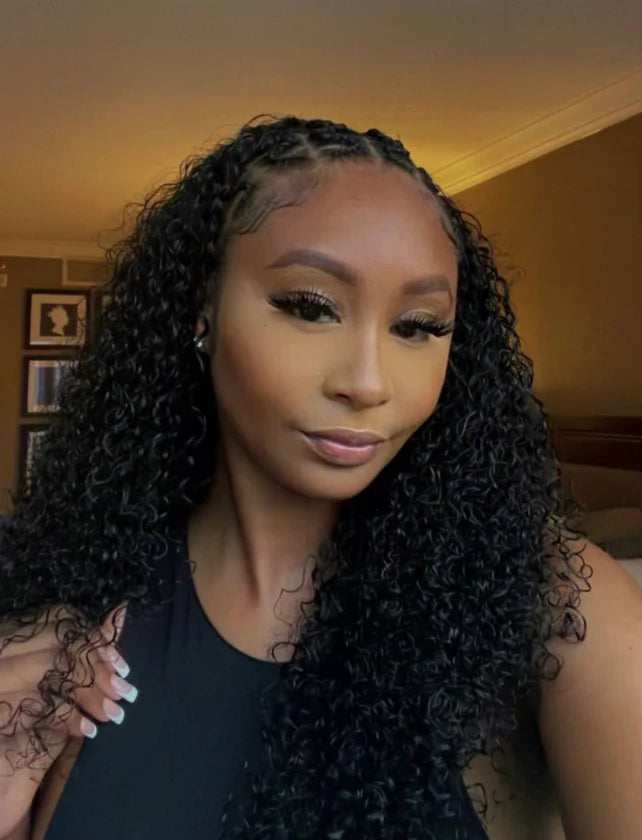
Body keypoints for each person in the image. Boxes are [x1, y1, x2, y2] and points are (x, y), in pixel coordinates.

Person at [1, 115, 640, 840]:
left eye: (418, 326)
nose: (367, 383)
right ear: (202, 310)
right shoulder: (59, 595)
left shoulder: (563, 610)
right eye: (310, 307)